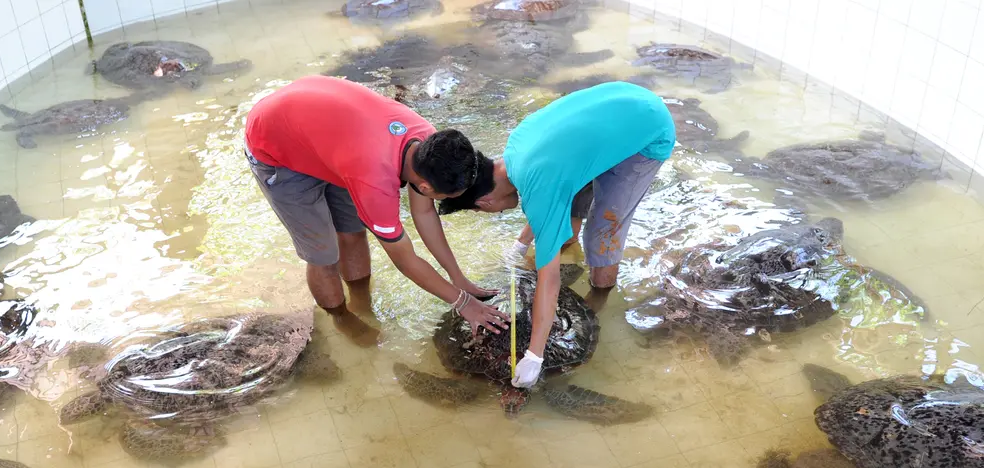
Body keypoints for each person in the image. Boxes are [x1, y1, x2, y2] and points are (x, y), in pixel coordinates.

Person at [438, 81, 675, 388]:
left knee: (601, 236)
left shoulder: (540, 190)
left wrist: (535, 355)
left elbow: (549, 279)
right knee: (569, 203)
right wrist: (522, 243)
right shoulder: (515, 150)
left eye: (484, 211)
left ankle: (601, 295)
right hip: (620, 101)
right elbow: (547, 198)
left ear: (482, 201)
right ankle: (566, 250)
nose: (495, 213)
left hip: (647, 130)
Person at [244, 75, 508, 344]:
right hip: (276, 143)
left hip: (326, 130)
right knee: (324, 255)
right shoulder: (375, 183)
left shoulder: (432, 145)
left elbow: (424, 214)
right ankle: (341, 318)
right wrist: (463, 302)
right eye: (445, 196)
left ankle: (361, 301)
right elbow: (405, 260)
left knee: (353, 232)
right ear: (426, 187)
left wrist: (458, 279)